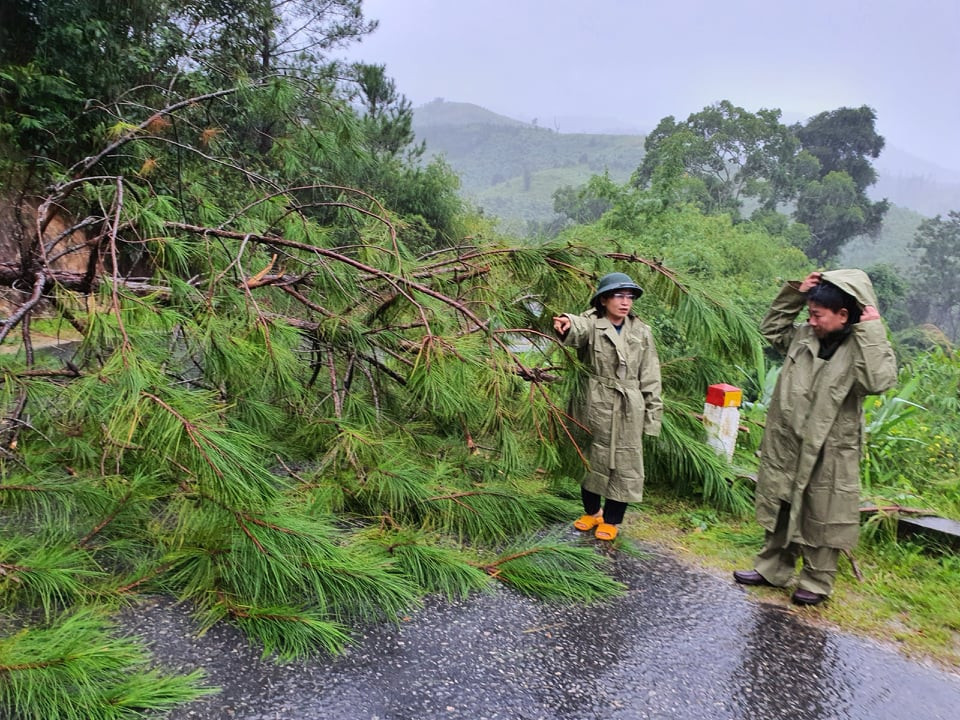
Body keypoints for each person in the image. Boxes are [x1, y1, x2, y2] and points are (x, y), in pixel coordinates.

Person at [734, 270, 897, 605]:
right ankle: (771, 569)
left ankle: (816, 582)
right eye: (809, 313)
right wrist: (795, 293)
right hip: (789, 439)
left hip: (832, 446)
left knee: (823, 512)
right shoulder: (804, 336)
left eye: (818, 315)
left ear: (843, 315)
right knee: (781, 501)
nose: (812, 320)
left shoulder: (862, 346)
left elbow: (879, 380)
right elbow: (772, 330)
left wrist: (872, 328)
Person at [552, 272, 663, 541]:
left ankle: (613, 520)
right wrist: (566, 323)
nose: (625, 302)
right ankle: (592, 512)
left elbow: (651, 375)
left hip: (629, 406)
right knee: (590, 459)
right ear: (603, 299)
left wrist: (652, 417)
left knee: (625, 464)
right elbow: (577, 327)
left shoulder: (641, 331)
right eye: (618, 296)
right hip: (594, 401)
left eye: (629, 297)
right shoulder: (592, 323)